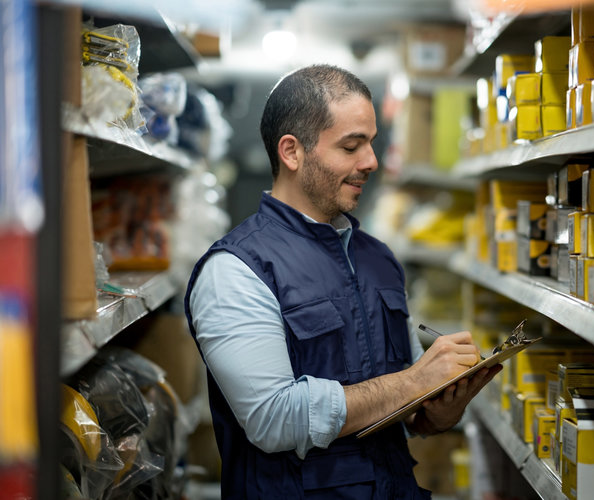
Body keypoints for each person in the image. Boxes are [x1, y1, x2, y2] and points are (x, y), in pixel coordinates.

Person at [184, 64, 502, 499]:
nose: (370, 161)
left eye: (370, 142)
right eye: (352, 146)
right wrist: (415, 380)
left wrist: (438, 408)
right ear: (292, 152)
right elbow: (272, 419)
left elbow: (407, 412)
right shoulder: (235, 270)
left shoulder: (378, 259)